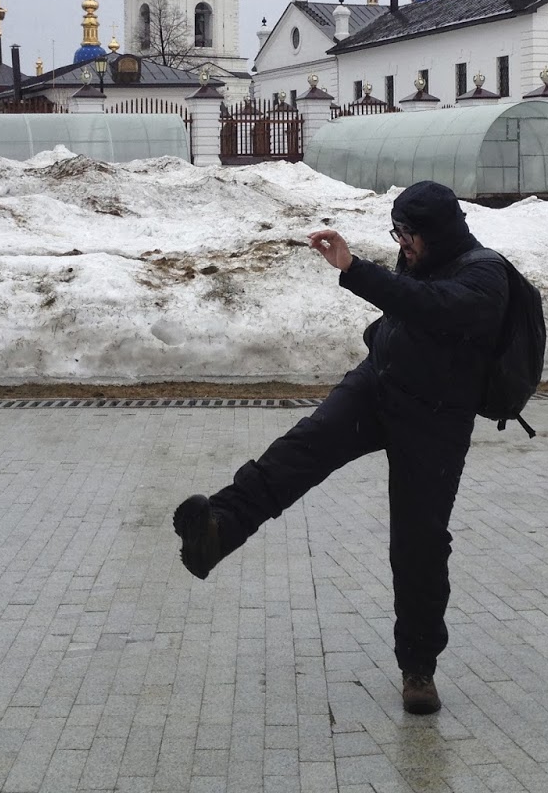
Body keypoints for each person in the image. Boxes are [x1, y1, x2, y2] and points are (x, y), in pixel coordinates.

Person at [172, 180, 509, 716]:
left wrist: (355, 270)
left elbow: (430, 307)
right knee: (297, 452)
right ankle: (218, 529)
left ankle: (418, 668)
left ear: (439, 232)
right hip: (378, 386)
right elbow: (410, 306)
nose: (402, 244)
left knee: (418, 544)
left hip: (435, 420)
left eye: (409, 234)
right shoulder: (422, 257)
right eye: (397, 233)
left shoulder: (484, 275)